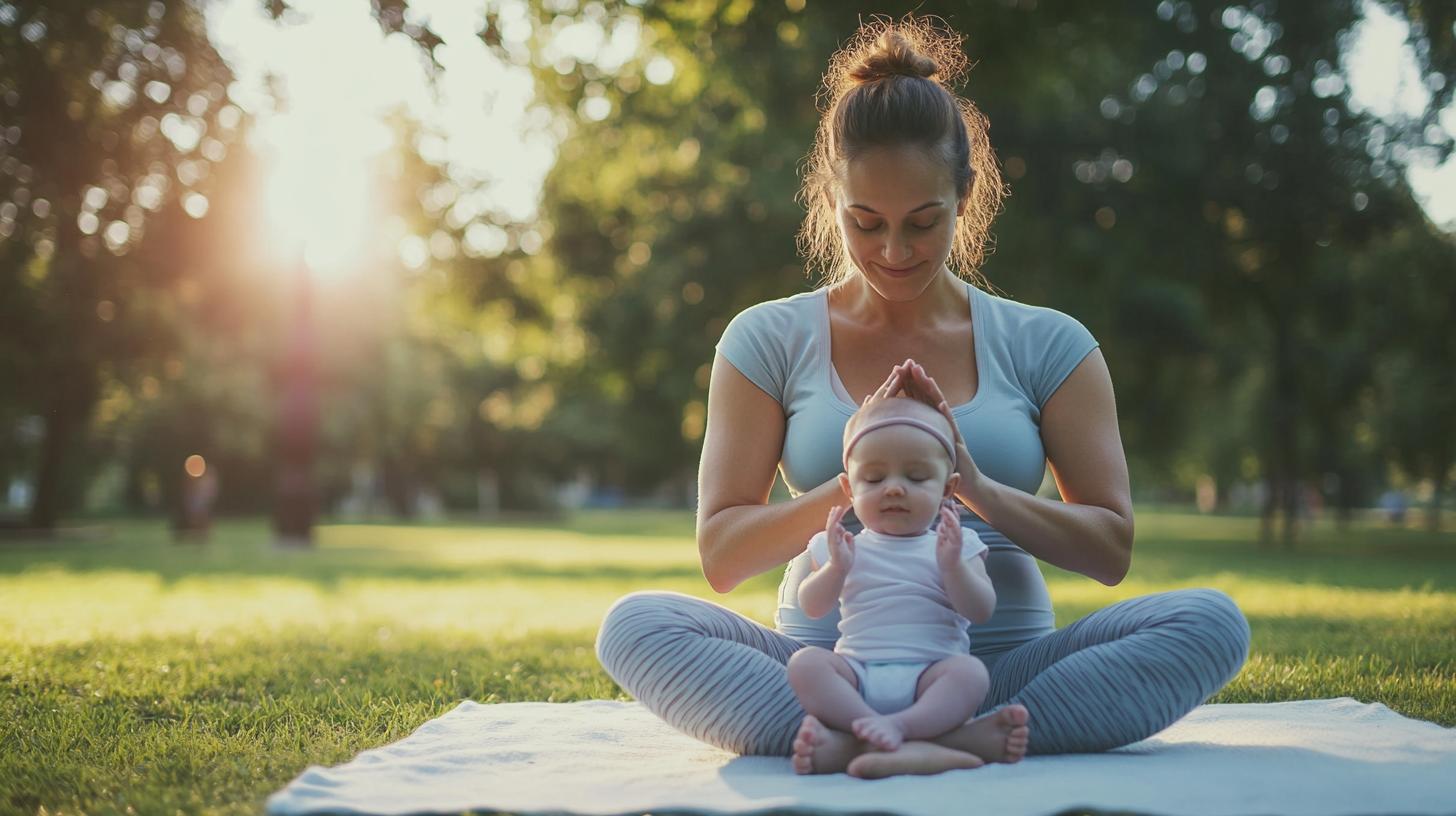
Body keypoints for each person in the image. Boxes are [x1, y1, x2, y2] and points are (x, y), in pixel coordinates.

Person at [596, 15, 1249, 779]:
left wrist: (971, 485)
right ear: (830, 197)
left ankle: (894, 743)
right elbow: (721, 556)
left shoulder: (1049, 343)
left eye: (923, 222)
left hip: (1001, 670)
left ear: (965, 195)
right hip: (826, 676)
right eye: (865, 223)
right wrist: (856, 484)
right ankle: (949, 744)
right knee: (636, 624)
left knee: (1209, 621)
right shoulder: (765, 339)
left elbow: (1110, 550)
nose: (894, 252)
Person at [789, 396, 1001, 771]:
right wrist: (836, 569)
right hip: (857, 676)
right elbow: (812, 605)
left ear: (948, 488)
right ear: (849, 488)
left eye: (916, 477)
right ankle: (882, 733)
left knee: (971, 675)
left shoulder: (958, 545)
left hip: (932, 675)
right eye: (873, 478)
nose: (894, 489)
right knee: (806, 664)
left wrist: (953, 568)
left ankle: (886, 733)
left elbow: (981, 610)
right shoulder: (838, 546)